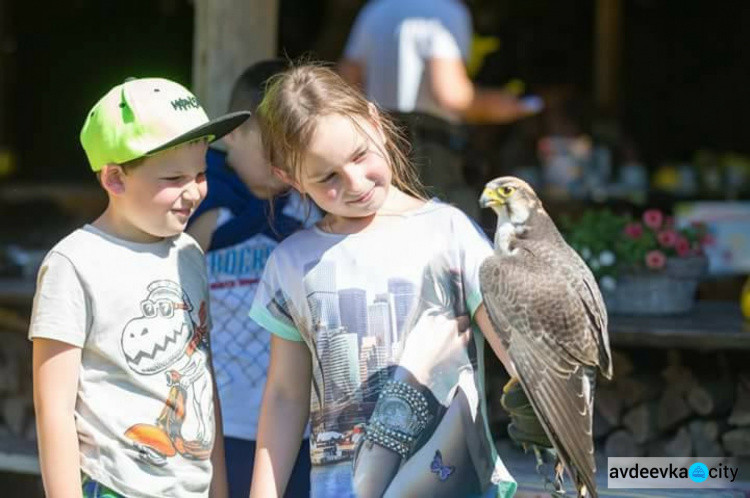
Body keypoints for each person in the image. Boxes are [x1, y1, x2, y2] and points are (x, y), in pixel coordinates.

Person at [247, 65, 522, 498]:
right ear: (290, 178)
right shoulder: (291, 263)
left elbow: (520, 357)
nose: (355, 183)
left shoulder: (450, 232)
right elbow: (284, 395)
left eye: (360, 156)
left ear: (376, 122)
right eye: (327, 178)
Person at [29, 77, 250, 497]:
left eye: (201, 173)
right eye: (174, 177)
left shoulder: (189, 252)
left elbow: (204, 379)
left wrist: (219, 489)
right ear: (114, 178)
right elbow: (53, 409)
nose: (194, 192)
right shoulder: (73, 264)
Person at [187, 59, 318, 498]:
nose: (282, 161)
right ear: (232, 135)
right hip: (223, 414)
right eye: (270, 146)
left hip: (303, 420)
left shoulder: (310, 212)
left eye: (292, 147)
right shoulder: (206, 215)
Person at [338, 0, 541, 219]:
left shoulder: (377, 9)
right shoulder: (446, 12)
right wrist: (504, 105)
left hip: (379, 141)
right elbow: (452, 95)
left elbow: (346, 82)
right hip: (431, 148)